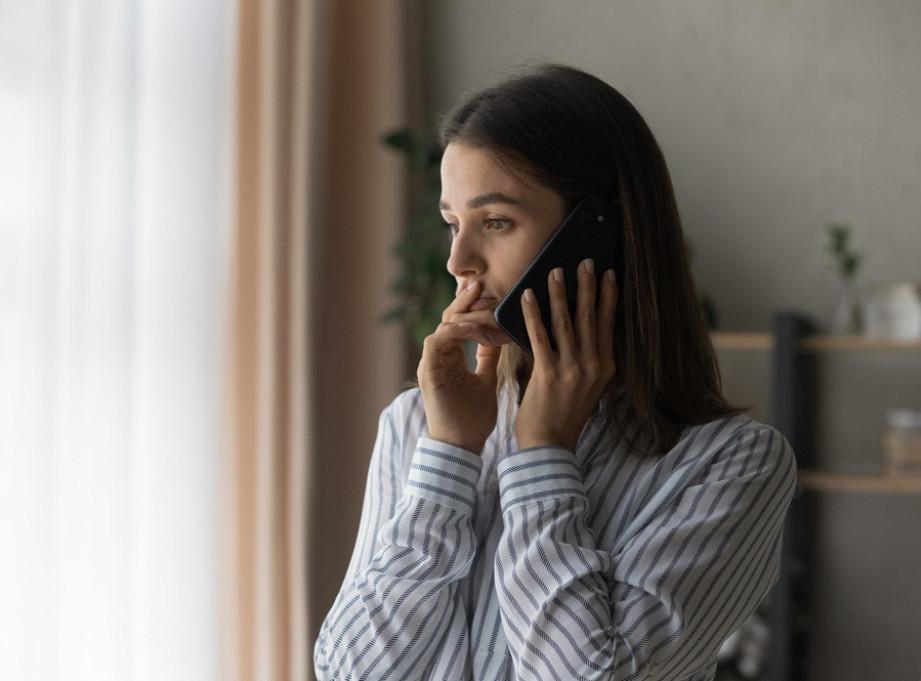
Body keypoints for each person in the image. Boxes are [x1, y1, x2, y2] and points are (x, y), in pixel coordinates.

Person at [314, 64, 796, 681]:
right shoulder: (418, 425)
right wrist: (449, 457)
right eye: (453, 224)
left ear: (599, 236)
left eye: (496, 221)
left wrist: (543, 455)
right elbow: (350, 672)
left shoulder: (732, 464)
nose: (458, 261)